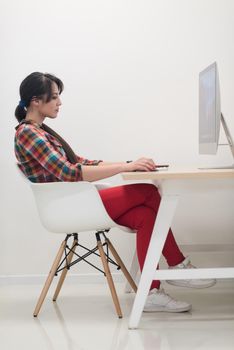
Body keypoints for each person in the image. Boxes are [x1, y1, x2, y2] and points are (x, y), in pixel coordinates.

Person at [14, 72, 216, 313]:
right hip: (69, 206)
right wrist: (126, 167)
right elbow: (70, 172)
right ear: (36, 100)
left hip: (76, 200)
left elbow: (82, 161)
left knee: (145, 215)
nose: (60, 102)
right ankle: (178, 265)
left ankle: (151, 293)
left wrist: (129, 162)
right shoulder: (28, 133)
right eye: (55, 97)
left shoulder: (41, 131)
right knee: (148, 192)